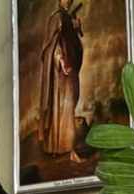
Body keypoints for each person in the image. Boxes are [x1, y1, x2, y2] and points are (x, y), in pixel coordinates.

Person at [38, 0, 84, 157]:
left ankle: (62, 147)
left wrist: (76, 28)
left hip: (69, 71)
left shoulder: (66, 17)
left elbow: (72, 41)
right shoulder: (56, 18)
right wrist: (61, 60)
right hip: (61, 73)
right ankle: (64, 148)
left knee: (68, 107)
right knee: (61, 107)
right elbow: (52, 46)